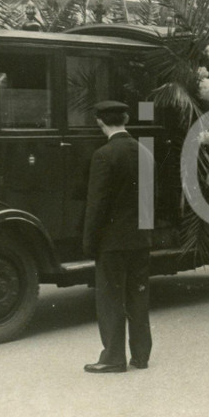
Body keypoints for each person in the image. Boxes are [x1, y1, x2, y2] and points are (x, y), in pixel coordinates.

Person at [82, 101, 152, 373]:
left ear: (100, 122)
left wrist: (90, 242)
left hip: (112, 242)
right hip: (140, 239)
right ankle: (141, 355)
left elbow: (96, 204)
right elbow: (151, 199)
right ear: (125, 119)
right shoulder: (146, 153)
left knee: (111, 298)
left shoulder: (103, 155)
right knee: (138, 295)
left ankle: (113, 357)